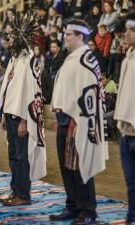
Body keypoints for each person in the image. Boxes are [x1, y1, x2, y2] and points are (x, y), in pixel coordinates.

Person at [50, 19, 108, 225]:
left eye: (68, 34)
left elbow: (91, 94)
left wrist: (80, 120)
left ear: (80, 36)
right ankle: (73, 206)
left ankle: (88, 210)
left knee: (80, 166)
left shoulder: (86, 59)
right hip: (65, 121)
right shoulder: (72, 58)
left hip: (79, 122)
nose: (64, 37)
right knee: (67, 168)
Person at [0, 11, 47, 206]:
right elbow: (9, 88)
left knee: (21, 157)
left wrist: (25, 120)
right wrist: (3, 113)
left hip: (21, 118)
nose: (8, 40)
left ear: (20, 39)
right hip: (10, 114)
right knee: (13, 156)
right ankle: (15, 191)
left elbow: (33, 92)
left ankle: (23, 196)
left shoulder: (29, 61)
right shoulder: (14, 59)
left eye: (11, 37)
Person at [114, 11, 135, 225]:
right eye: (126, 29)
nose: (126, 34)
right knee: (130, 182)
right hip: (125, 131)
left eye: (132, 30)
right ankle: (131, 217)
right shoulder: (127, 57)